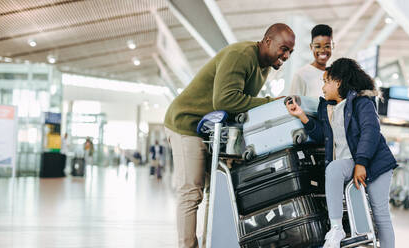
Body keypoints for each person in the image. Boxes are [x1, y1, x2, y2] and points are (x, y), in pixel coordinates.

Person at [164, 23, 295, 248]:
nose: (286, 55)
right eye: (283, 48)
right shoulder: (241, 55)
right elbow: (225, 101)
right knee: (191, 193)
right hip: (187, 123)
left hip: (210, 130)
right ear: (267, 41)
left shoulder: (263, 67)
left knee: (213, 193)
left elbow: (238, 106)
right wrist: (270, 103)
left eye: (290, 52)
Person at [285, 58, 397, 248]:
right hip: (349, 162)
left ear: (338, 82)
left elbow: (370, 131)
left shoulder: (362, 102)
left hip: (376, 164)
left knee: (380, 213)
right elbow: (323, 135)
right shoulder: (327, 108)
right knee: (334, 169)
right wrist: (302, 116)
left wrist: (361, 163)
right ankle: (336, 228)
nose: (323, 88)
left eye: (326, 82)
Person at [290, 24, 333, 98]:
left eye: (327, 46)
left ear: (332, 46)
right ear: (311, 47)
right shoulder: (301, 75)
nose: (322, 50)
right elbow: (293, 105)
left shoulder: (334, 75)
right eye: (317, 46)